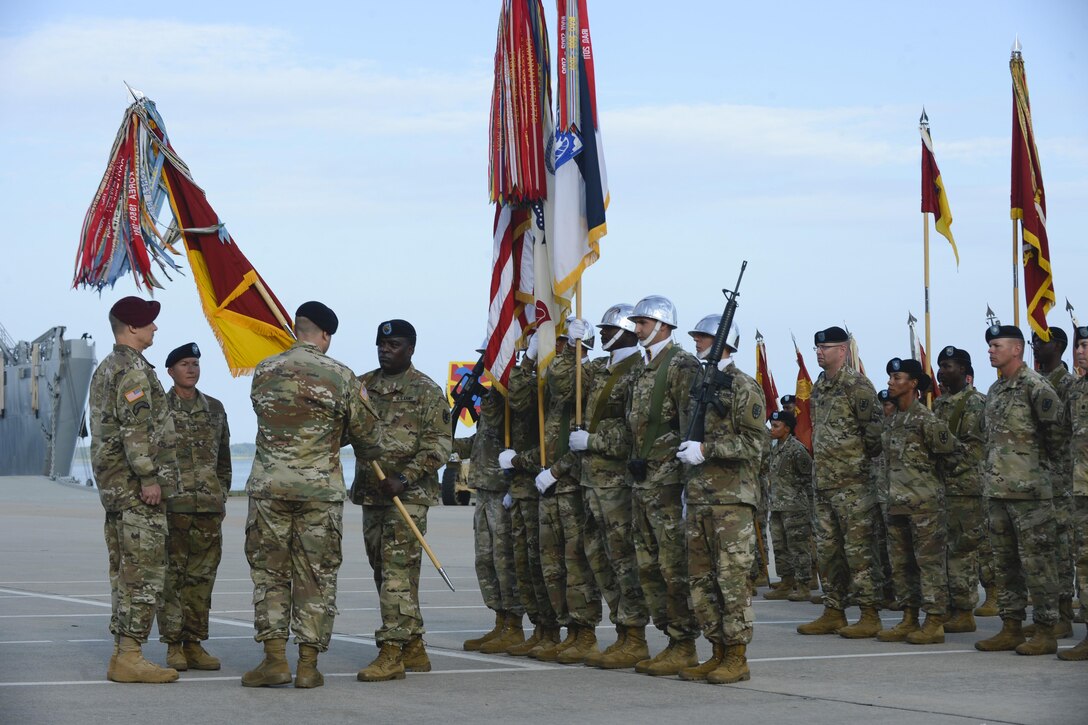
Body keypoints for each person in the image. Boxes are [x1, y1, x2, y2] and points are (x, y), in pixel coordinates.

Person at [242, 301, 382, 688]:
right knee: (315, 577)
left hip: (270, 489)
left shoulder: (265, 370)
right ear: (325, 335)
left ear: (296, 329)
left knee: (270, 574)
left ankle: (273, 661)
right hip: (319, 491)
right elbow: (369, 437)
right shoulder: (340, 375)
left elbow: (266, 416)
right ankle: (307, 665)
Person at [353, 319, 452, 681]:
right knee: (387, 572)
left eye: (393, 345)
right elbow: (346, 428)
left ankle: (392, 651)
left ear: (410, 348)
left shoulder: (426, 390)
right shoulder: (362, 386)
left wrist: (405, 476)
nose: (385, 351)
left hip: (408, 496)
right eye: (381, 344)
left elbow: (440, 444)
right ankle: (414, 645)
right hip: (372, 492)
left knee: (396, 572)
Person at [90, 296, 179, 683]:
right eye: (149, 323)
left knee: (125, 572)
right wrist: (149, 478)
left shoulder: (108, 367)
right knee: (143, 573)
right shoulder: (132, 371)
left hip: (115, 490)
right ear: (130, 328)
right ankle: (130, 654)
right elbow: (136, 431)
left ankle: (122, 655)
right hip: (134, 490)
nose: (154, 328)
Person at [678, 316, 766, 683]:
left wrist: (707, 449)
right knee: (701, 582)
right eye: (698, 336)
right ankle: (716, 650)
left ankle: (737, 656)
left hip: (732, 501)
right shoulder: (699, 382)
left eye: (705, 336)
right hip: (699, 497)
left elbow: (754, 444)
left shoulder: (744, 386)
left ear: (724, 342)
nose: (697, 341)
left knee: (732, 582)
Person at [974, 324, 1064, 656]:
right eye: (989, 346)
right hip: (998, 492)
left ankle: (1045, 630)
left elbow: (1056, 439)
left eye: (996, 345)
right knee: (1005, 564)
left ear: (1016, 349)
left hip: (1030, 495)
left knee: (1039, 564)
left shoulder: (1036, 388)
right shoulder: (996, 391)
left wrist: (1035, 473)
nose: (990, 351)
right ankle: (1010, 627)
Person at [626, 295, 702, 676]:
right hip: (643, 483)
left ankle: (683, 642)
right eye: (637, 322)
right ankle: (668, 638)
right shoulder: (642, 367)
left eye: (643, 322)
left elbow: (691, 424)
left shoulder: (681, 364)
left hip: (669, 484)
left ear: (662, 325)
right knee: (648, 567)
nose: (636, 328)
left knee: (673, 568)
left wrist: (688, 485)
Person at [570, 304, 650, 669]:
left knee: (623, 561)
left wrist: (594, 441)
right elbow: (559, 385)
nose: (600, 335)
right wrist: (567, 348)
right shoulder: (600, 369)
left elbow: (636, 430)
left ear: (628, 332)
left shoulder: (638, 371)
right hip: (591, 482)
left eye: (607, 329)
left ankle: (635, 636)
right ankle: (621, 632)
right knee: (600, 560)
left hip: (617, 483)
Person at [798, 326, 884, 639]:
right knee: (827, 551)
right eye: (817, 347)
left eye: (827, 347)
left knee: (859, 552)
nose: (820, 352)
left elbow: (874, 432)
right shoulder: (819, 385)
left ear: (843, 350)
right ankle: (833, 610)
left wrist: (857, 465)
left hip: (854, 484)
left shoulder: (857, 384)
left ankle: (869, 613)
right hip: (824, 483)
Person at [527, 318, 603, 664]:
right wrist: (527, 358)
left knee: (577, 565)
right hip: (550, 485)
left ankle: (584, 632)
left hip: (571, 485)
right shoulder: (559, 384)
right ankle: (565, 629)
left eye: (560, 346)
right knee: (552, 566)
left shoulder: (587, 377)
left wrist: (556, 472)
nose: (553, 353)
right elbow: (524, 397)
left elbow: (582, 439)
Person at [157, 342, 231, 672]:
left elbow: (224, 460)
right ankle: (173, 644)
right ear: (170, 371)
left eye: (196, 364)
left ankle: (195, 642)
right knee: (172, 577)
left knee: (202, 578)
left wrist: (221, 494)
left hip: (208, 509)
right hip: (173, 507)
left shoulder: (215, 408)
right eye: (185, 364)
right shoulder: (159, 408)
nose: (191, 369)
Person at [876, 358, 956, 645]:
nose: (890, 383)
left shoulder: (927, 420)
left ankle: (934, 621)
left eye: (897, 378)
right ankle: (908, 617)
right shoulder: (893, 421)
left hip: (925, 508)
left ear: (913, 384)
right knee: (901, 565)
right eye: (890, 378)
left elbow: (953, 456)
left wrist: (933, 489)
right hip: (896, 504)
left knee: (929, 564)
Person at [454, 342, 524, 656]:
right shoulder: (491, 395)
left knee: (503, 560)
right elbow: (481, 439)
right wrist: (449, 445)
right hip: (484, 488)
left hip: (503, 489)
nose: (485, 363)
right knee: (485, 560)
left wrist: (481, 394)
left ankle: (514, 625)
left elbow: (507, 429)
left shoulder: (510, 395)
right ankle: (500, 620)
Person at [503, 336, 559, 656]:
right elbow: (518, 399)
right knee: (526, 563)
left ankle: (557, 630)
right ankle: (540, 626)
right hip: (526, 482)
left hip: (552, 480)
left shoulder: (564, 373)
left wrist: (519, 462)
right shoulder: (533, 372)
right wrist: (527, 360)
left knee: (549, 565)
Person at [932, 346, 988, 632]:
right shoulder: (940, 404)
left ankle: (965, 611)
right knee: (943, 551)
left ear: (964, 370)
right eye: (940, 365)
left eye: (949, 366)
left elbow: (974, 450)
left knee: (962, 552)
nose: (942, 371)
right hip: (941, 488)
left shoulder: (975, 402)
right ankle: (949, 607)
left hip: (965, 488)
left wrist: (943, 458)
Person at [1032, 328, 1078, 638]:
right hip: (1038, 479)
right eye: (1033, 340)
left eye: (1041, 340)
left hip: (1063, 480)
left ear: (1058, 346)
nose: (1036, 345)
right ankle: (1046, 614)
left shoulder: (1070, 385)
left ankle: (1063, 615)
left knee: (1061, 549)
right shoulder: (1037, 384)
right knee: (1042, 549)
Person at [1059, 324, 1088, 660]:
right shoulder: (1076, 390)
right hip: (1079, 490)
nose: (1080, 351)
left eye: (1085, 345)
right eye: (1078, 345)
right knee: (1084, 562)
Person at [765, 410, 814, 603]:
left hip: (795, 508)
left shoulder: (797, 450)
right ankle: (786, 582)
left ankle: (803, 586)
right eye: (772, 425)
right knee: (780, 546)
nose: (772, 429)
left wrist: (809, 508)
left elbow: (808, 479)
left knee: (798, 547)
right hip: (777, 506)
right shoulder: (775, 448)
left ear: (787, 428)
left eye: (776, 426)